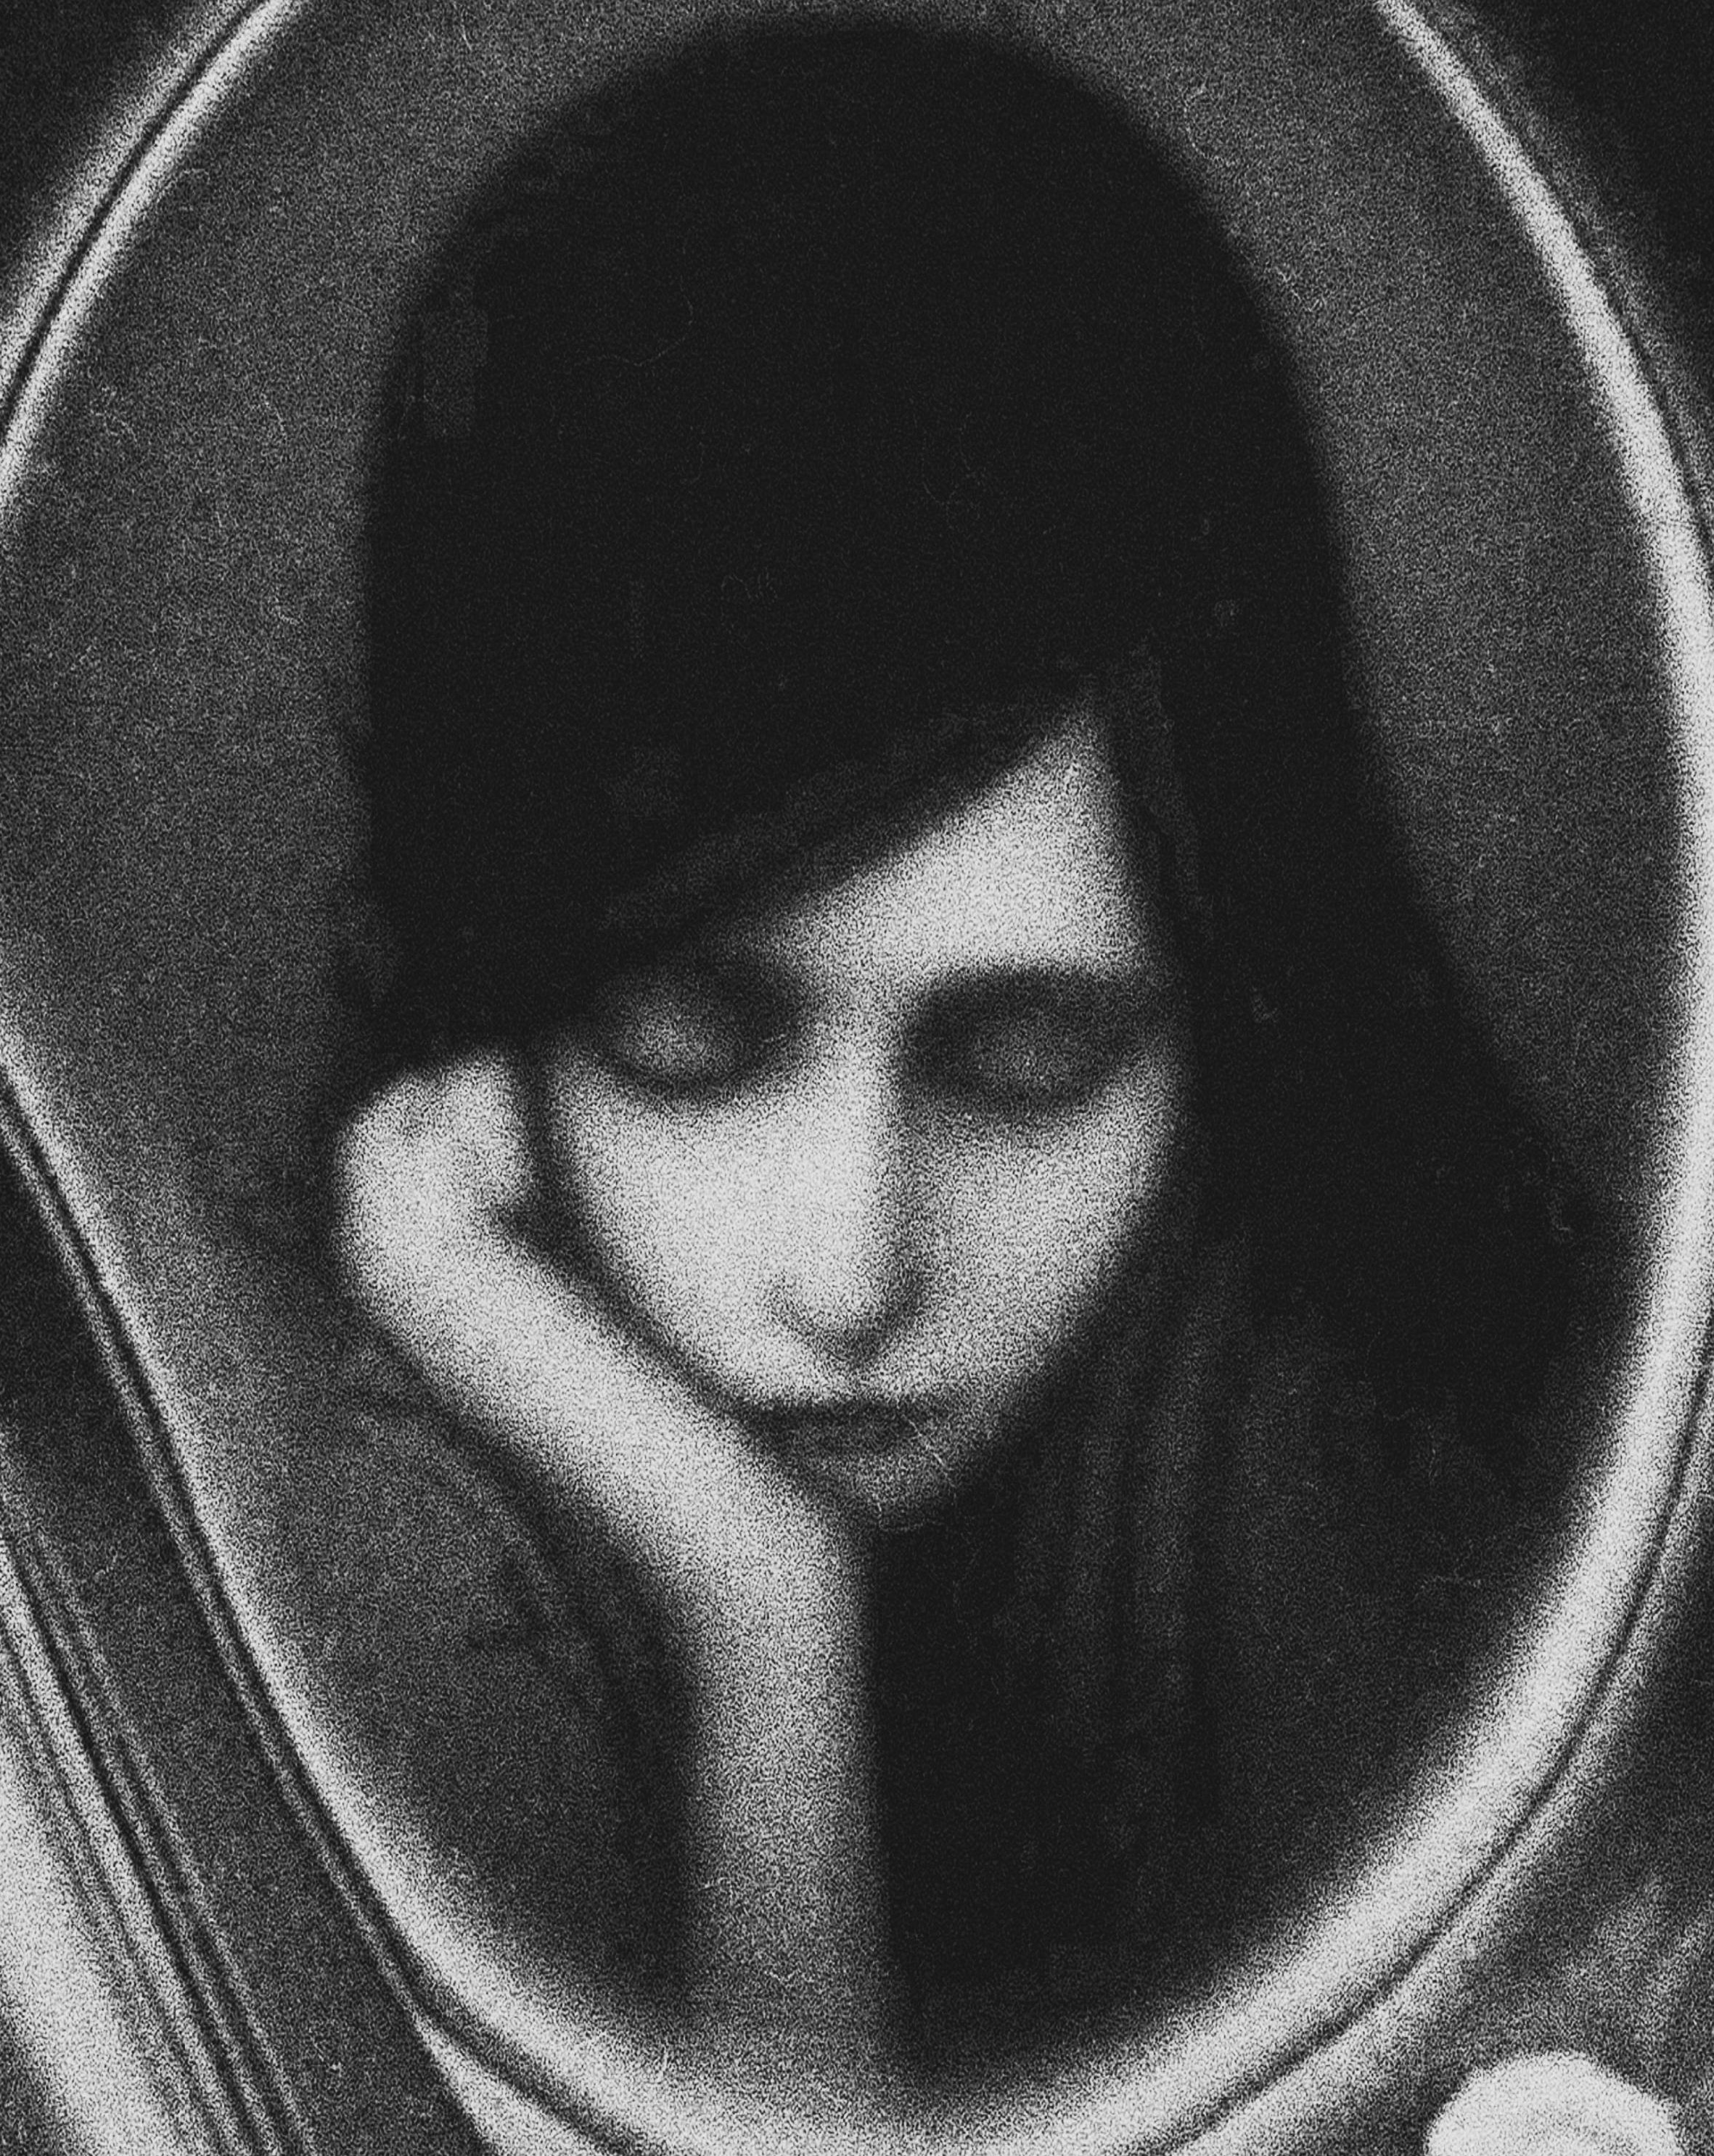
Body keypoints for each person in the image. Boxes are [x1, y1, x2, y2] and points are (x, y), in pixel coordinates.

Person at [321, 15, 1678, 2130]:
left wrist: (760, 1616)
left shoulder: (1377, 1537)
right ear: (496, 1019)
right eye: (694, 1042)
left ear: (1227, 1002)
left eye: (1031, 1058)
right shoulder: (392, 1543)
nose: (853, 1265)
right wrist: (756, 1596)